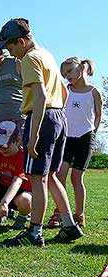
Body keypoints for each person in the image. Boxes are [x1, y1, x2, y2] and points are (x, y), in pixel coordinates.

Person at [0, 18, 84, 247]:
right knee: (51, 175)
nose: (11, 53)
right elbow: (63, 90)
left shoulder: (29, 58)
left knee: (37, 178)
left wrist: (33, 135)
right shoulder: (47, 55)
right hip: (58, 117)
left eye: (11, 48)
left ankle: (34, 232)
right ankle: (70, 226)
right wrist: (57, 115)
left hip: (42, 119)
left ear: (21, 42)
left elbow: (41, 97)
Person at [47, 57, 103, 228]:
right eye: (64, 73)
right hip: (66, 138)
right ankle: (59, 213)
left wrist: (92, 133)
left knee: (76, 178)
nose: (67, 76)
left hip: (85, 138)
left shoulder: (94, 92)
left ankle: (79, 215)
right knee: (59, 174)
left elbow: (98, 115)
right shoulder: (65, 90)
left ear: (81, 67)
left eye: (70, 71)